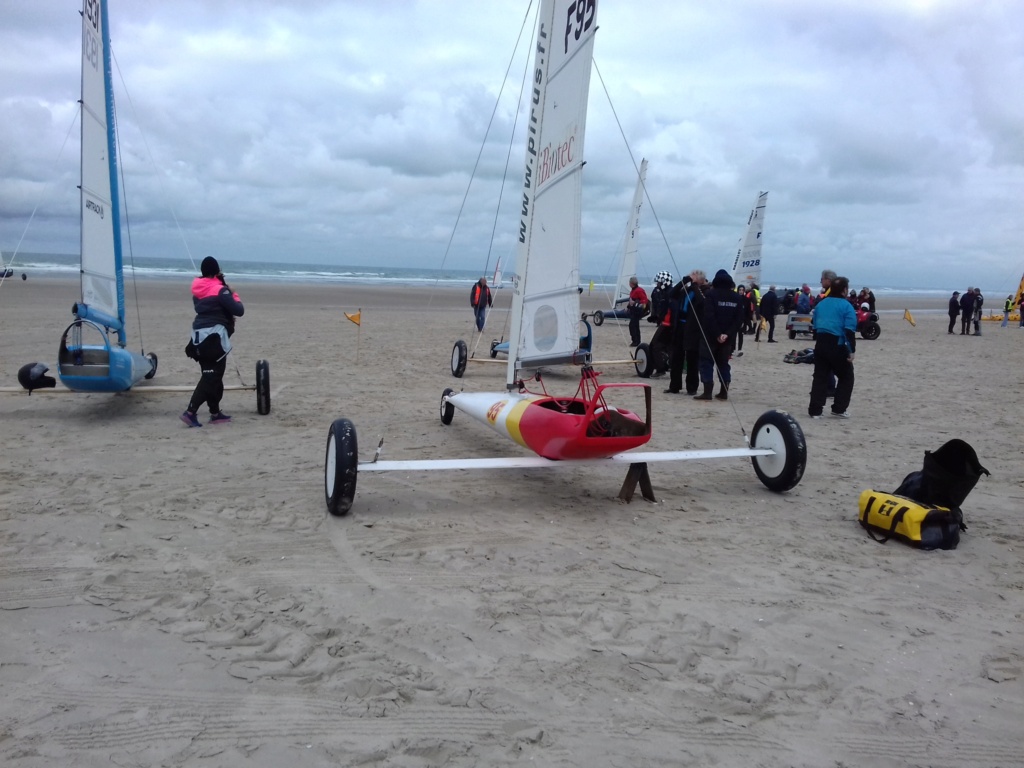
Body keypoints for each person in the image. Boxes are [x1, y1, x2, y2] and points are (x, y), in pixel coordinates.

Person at [181, 256, 244, 427]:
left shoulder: (198, 291)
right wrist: (233, 294)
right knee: (211, 376)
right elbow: (239, 310)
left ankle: (215, 413)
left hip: (198, 336)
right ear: (217, 271)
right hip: (214, 338)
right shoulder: (220, 290)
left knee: (214, 376)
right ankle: (190, 412)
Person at [807, 276, 857, 419]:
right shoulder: (847, 306)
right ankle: (839, 409)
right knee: (846, 376)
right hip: (837, 344)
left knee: (820, 377)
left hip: (821, 343)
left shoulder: (821, 304)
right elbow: (849, 330)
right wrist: (851, 351)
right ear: (844, 290)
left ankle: (815, 411)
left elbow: (814, 324)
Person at [695, 269, 744, 401]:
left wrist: (718, 334)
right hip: (727, 339)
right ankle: (723, 391)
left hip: (710, 336)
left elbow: (709, 316)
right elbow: (738, 320)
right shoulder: (737, 298)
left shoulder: (711, 295)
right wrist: (726, 334)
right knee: (723, 363)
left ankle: (707, 392)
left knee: (706, 362)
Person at [646, 271, 673, 376]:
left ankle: (660, 369)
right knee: (669, 346)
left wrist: (658, 317)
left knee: (654, 346)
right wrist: (656, 317)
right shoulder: (667, 293)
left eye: (659, 283)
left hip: (667, 324)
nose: (657, 285)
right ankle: (668, 365)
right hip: (668, 323)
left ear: (664, 282)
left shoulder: (668, 294)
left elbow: (667, 310)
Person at [626, 276, 648, 347]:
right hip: (633, 310)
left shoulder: (639, 290)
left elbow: (644, 300)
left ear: (632, 283)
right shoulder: (633, 290)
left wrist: (637, 303)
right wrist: (628, 307)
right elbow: (631, 301)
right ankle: (636, 341)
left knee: (632, 325)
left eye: (629, 282)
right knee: (635, 325)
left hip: (638, 311)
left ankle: (635, 341)